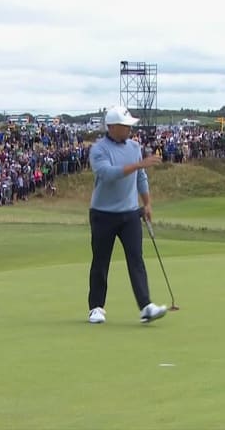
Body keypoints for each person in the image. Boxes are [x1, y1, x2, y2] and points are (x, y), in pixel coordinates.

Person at [86, 105, 167, 324]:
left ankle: (145, 306)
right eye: (125, 126)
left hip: (130, 213)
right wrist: (139, 164)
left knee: (136, 259)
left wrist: (147, 203)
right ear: (112, 127)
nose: (129, 130)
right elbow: (108, 174)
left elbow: (141, 177)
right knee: (101, 261)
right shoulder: (99, 149)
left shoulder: (134, 146)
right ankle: (96, 307)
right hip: (103, 214)